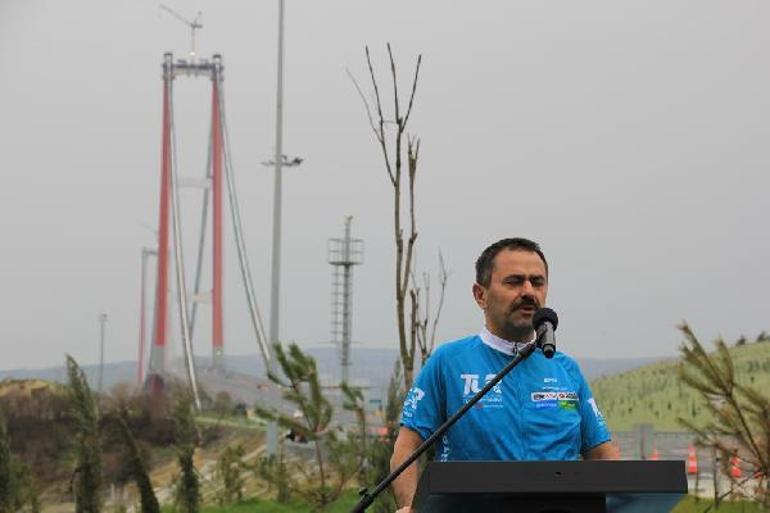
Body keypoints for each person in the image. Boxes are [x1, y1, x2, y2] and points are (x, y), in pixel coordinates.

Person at [391, 237, 619, 513]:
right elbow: (407, 447)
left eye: (537, 282)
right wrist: (409, 507)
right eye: (514, 281)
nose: (528, 291)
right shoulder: (448, 362)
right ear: (480, 295)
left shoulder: (566, 369)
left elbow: (602, 454)